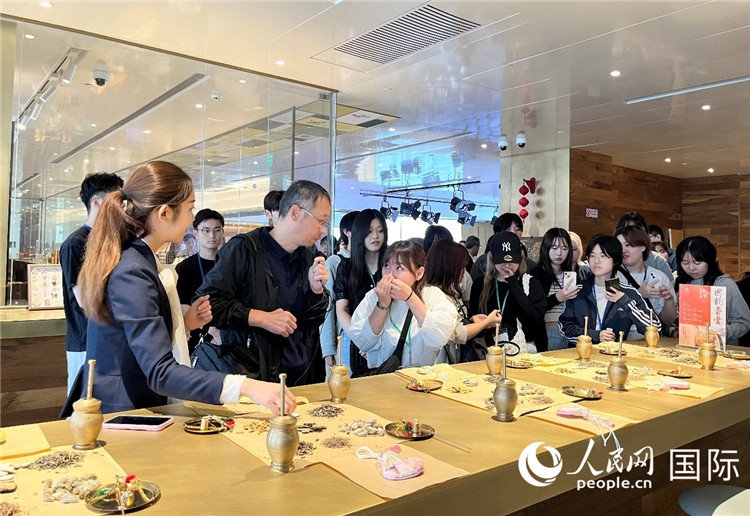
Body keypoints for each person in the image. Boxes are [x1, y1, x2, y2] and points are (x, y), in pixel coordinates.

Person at [61, 161, 294, 416]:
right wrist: (245, 386)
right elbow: (159, 371)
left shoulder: (141, 259)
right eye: (190, 208)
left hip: (136, 403)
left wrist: (186, 323)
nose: (192, 218)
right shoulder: (133, 270)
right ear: (164, 213)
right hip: (123, 410)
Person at [197, 180, 330, 386]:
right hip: (253, 377)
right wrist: (261, 318)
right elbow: (207, 303)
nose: (323, 231)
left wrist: (316, 291)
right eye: (320, 221)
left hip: (301, 377)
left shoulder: (307, 257)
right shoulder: (244, 249)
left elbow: (312, 321)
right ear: (295, 213)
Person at [60, 172, 123, 394]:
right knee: (82, 403)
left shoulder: (113, 241)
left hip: (110, 338)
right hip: (85, 340)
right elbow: (84, 299)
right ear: (96, 202)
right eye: (116, 200)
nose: (121, 207)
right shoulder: (76, 244)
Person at [348, 241, 457, 369]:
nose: (390, 275)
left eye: (399, 268)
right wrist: (382, 304)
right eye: (386, 265)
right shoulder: (373, 296)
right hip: (385, 377)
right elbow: (363, 343)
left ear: (419, 273)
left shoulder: (432, 295)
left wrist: (410, 298)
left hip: (423, 377)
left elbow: (439, 338)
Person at [559, 234, 659, 344]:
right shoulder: (578, 291)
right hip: (581, 352)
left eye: (603, 256)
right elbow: (564, 328)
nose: (596, 261)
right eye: (592, 256)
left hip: (615, 352)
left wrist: (625, 302)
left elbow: (655, 327)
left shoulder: (627, 293)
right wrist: (595, 335)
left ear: (615, 260)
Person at [469, 231, 548, 352]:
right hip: (490, 351)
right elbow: (472, 315)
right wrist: (476, 320)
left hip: (524, 350)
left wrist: (513, 283)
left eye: (512, 260)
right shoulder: (480, 284)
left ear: (520, 257)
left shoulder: (530, 283)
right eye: (502, 260)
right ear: (492, 257)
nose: (507, 265)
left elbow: (536, 320)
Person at [425, 240, 501, 362]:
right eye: (462, 267)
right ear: (450, 267)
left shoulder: (449, 291)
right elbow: (457, 334)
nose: (464, 271)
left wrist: (471, 320)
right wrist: (486, 322)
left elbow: (456, 324)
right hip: (439, 362)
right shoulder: (435, 296)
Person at [334, 209, 387, 376]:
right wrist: (362, 340)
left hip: (387, 341)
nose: (375, 236)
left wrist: (376, 341)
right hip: (356, 343)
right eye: (369, 231)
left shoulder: (391, 266)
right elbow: (342, 310)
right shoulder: (347, 267)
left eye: (380, 231)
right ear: (359, 234)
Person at [670, 236, 750, 344]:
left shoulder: (724, 284)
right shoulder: (677, 283)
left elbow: (744, 322)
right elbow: (670, 319)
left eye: (697, 263)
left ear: (710, 260)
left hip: (721, 347)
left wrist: (720, 332)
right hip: (685, 346)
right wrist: (672, 330)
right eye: (685, 263)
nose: (691, 268)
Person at [176, 208, 225, 355]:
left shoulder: (230, 265)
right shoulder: (184, 268)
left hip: (227, 337)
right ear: (196, 233)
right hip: (198, 339)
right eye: (206, 230)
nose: (212, 235)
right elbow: (184, 307)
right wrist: (209, 329)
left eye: (217, 230)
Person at [615, 225, 676, 336]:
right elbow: (609, 312)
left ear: (643, 247)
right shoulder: (612, 276)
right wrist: (639, 294)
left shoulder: (659, 277)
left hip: (651, 338)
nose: (623, 250)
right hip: (620, 338)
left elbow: (667, 320)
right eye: (619, 246)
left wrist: (669, 300)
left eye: (628, 245)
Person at [319, 210, 359, 379]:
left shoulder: (366, 262)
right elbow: (327, 306)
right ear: (347, 232)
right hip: (341, 339)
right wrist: (328, 347)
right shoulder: (334, 263)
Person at [530, 228, 580, 350]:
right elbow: (532, 310)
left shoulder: (573, 274)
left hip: (571, 333)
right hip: (547, 333)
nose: (559, 253)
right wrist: (557, 298)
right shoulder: (536, 275)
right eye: (554, 248)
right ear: (546, 248)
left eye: (564, 248)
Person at [471, 213, 535, 280]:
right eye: (508, 230)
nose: (513, 233)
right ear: (497, 234)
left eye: (517, 229)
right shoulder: (482, 262)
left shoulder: (530, 265)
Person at [615, 212, 672, 280]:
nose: (629, 235)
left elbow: (670, 284)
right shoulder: (612, 262)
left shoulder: (658, 261)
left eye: (635, 231)